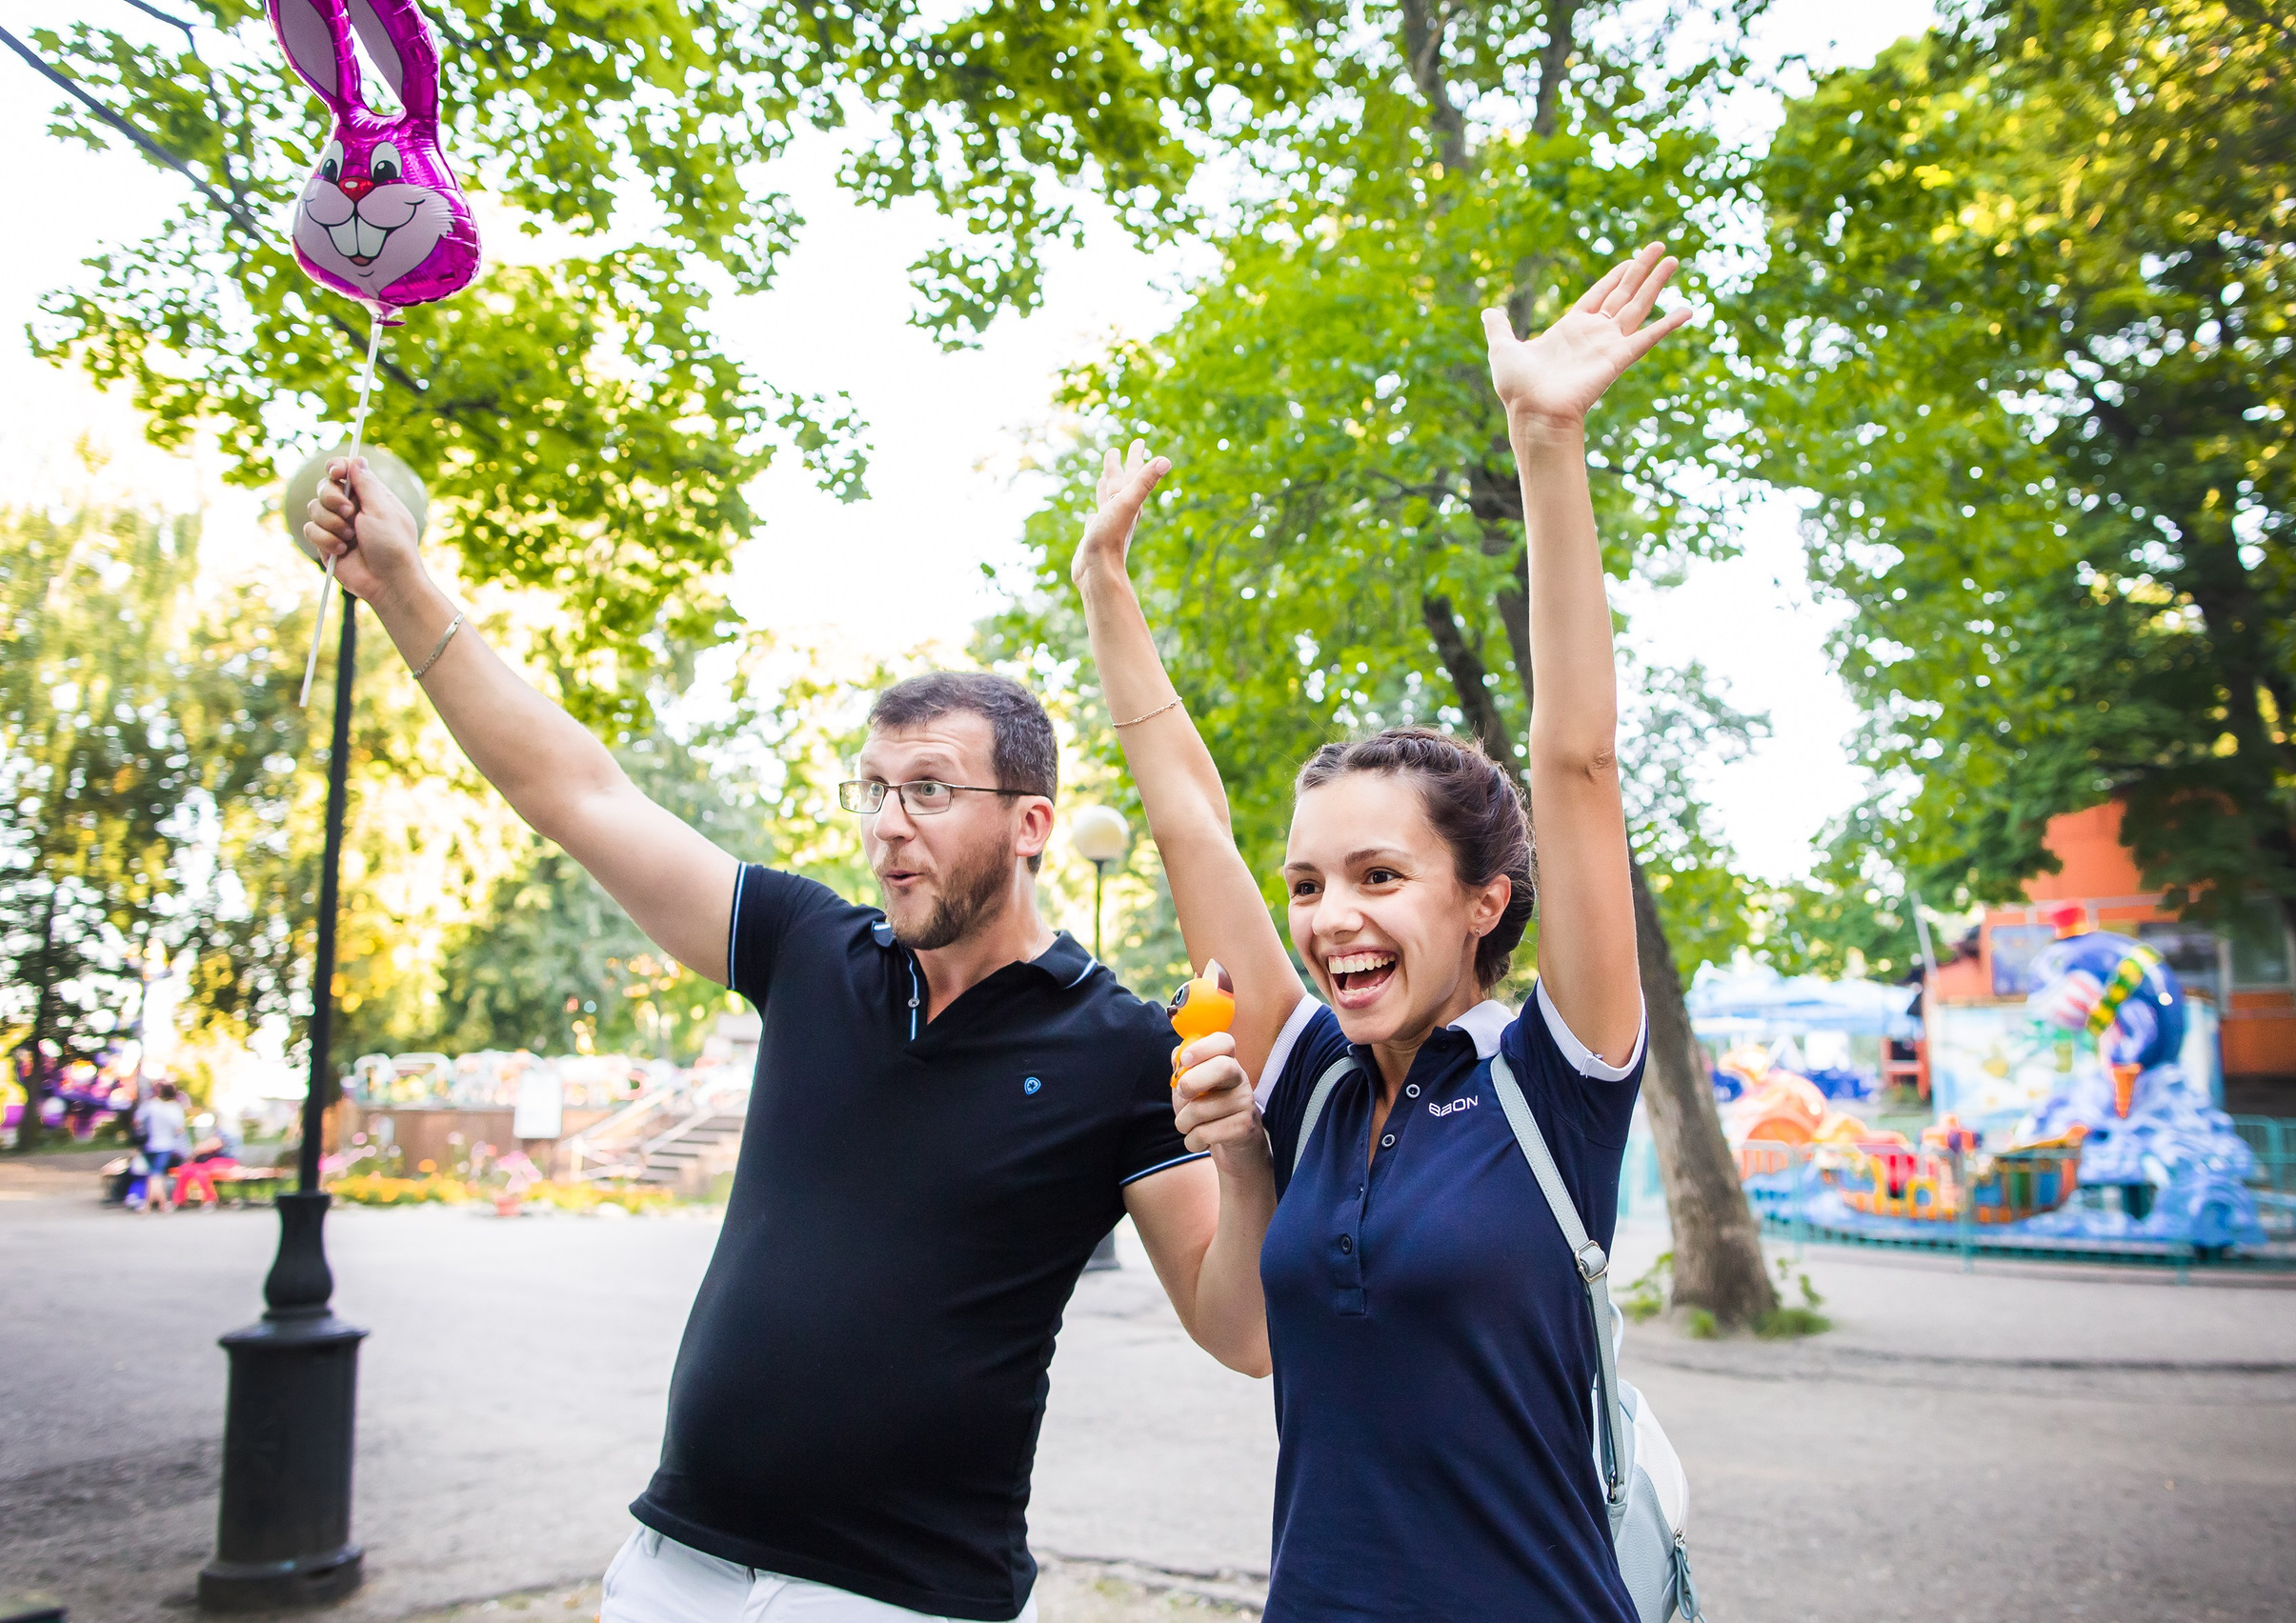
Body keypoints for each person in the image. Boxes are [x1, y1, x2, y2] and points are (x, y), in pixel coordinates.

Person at [303, 482, 1244, 1623]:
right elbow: (578, 794)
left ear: (1031, 823)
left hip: (906, 1598)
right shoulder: (810, 946)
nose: (889, 822)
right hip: (672, 1567)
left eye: (931, 790)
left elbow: (1234, 1330)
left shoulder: (1124, 1044)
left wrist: (1237, 1153)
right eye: (876, 789)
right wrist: (402, 587)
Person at [1071, 244, 1691, 1620]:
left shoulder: (1558, 1074)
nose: (1329, 917)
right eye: (1306, 886)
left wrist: (1546, 442)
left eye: (1377, 877)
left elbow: (1577, 761)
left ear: (1484, 903)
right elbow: (1184, 822)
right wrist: (1108, 596)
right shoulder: (1309, 1081)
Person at [131, 1080, 191, 1214]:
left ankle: (155, 1204)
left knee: (153, 1173)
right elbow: (179, 1129)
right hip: (165, 1145)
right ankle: (155, 1205)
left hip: (148, 1144)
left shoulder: (150, 1105)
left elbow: (136, 1121)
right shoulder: (174, 1108)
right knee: (156, 1174)